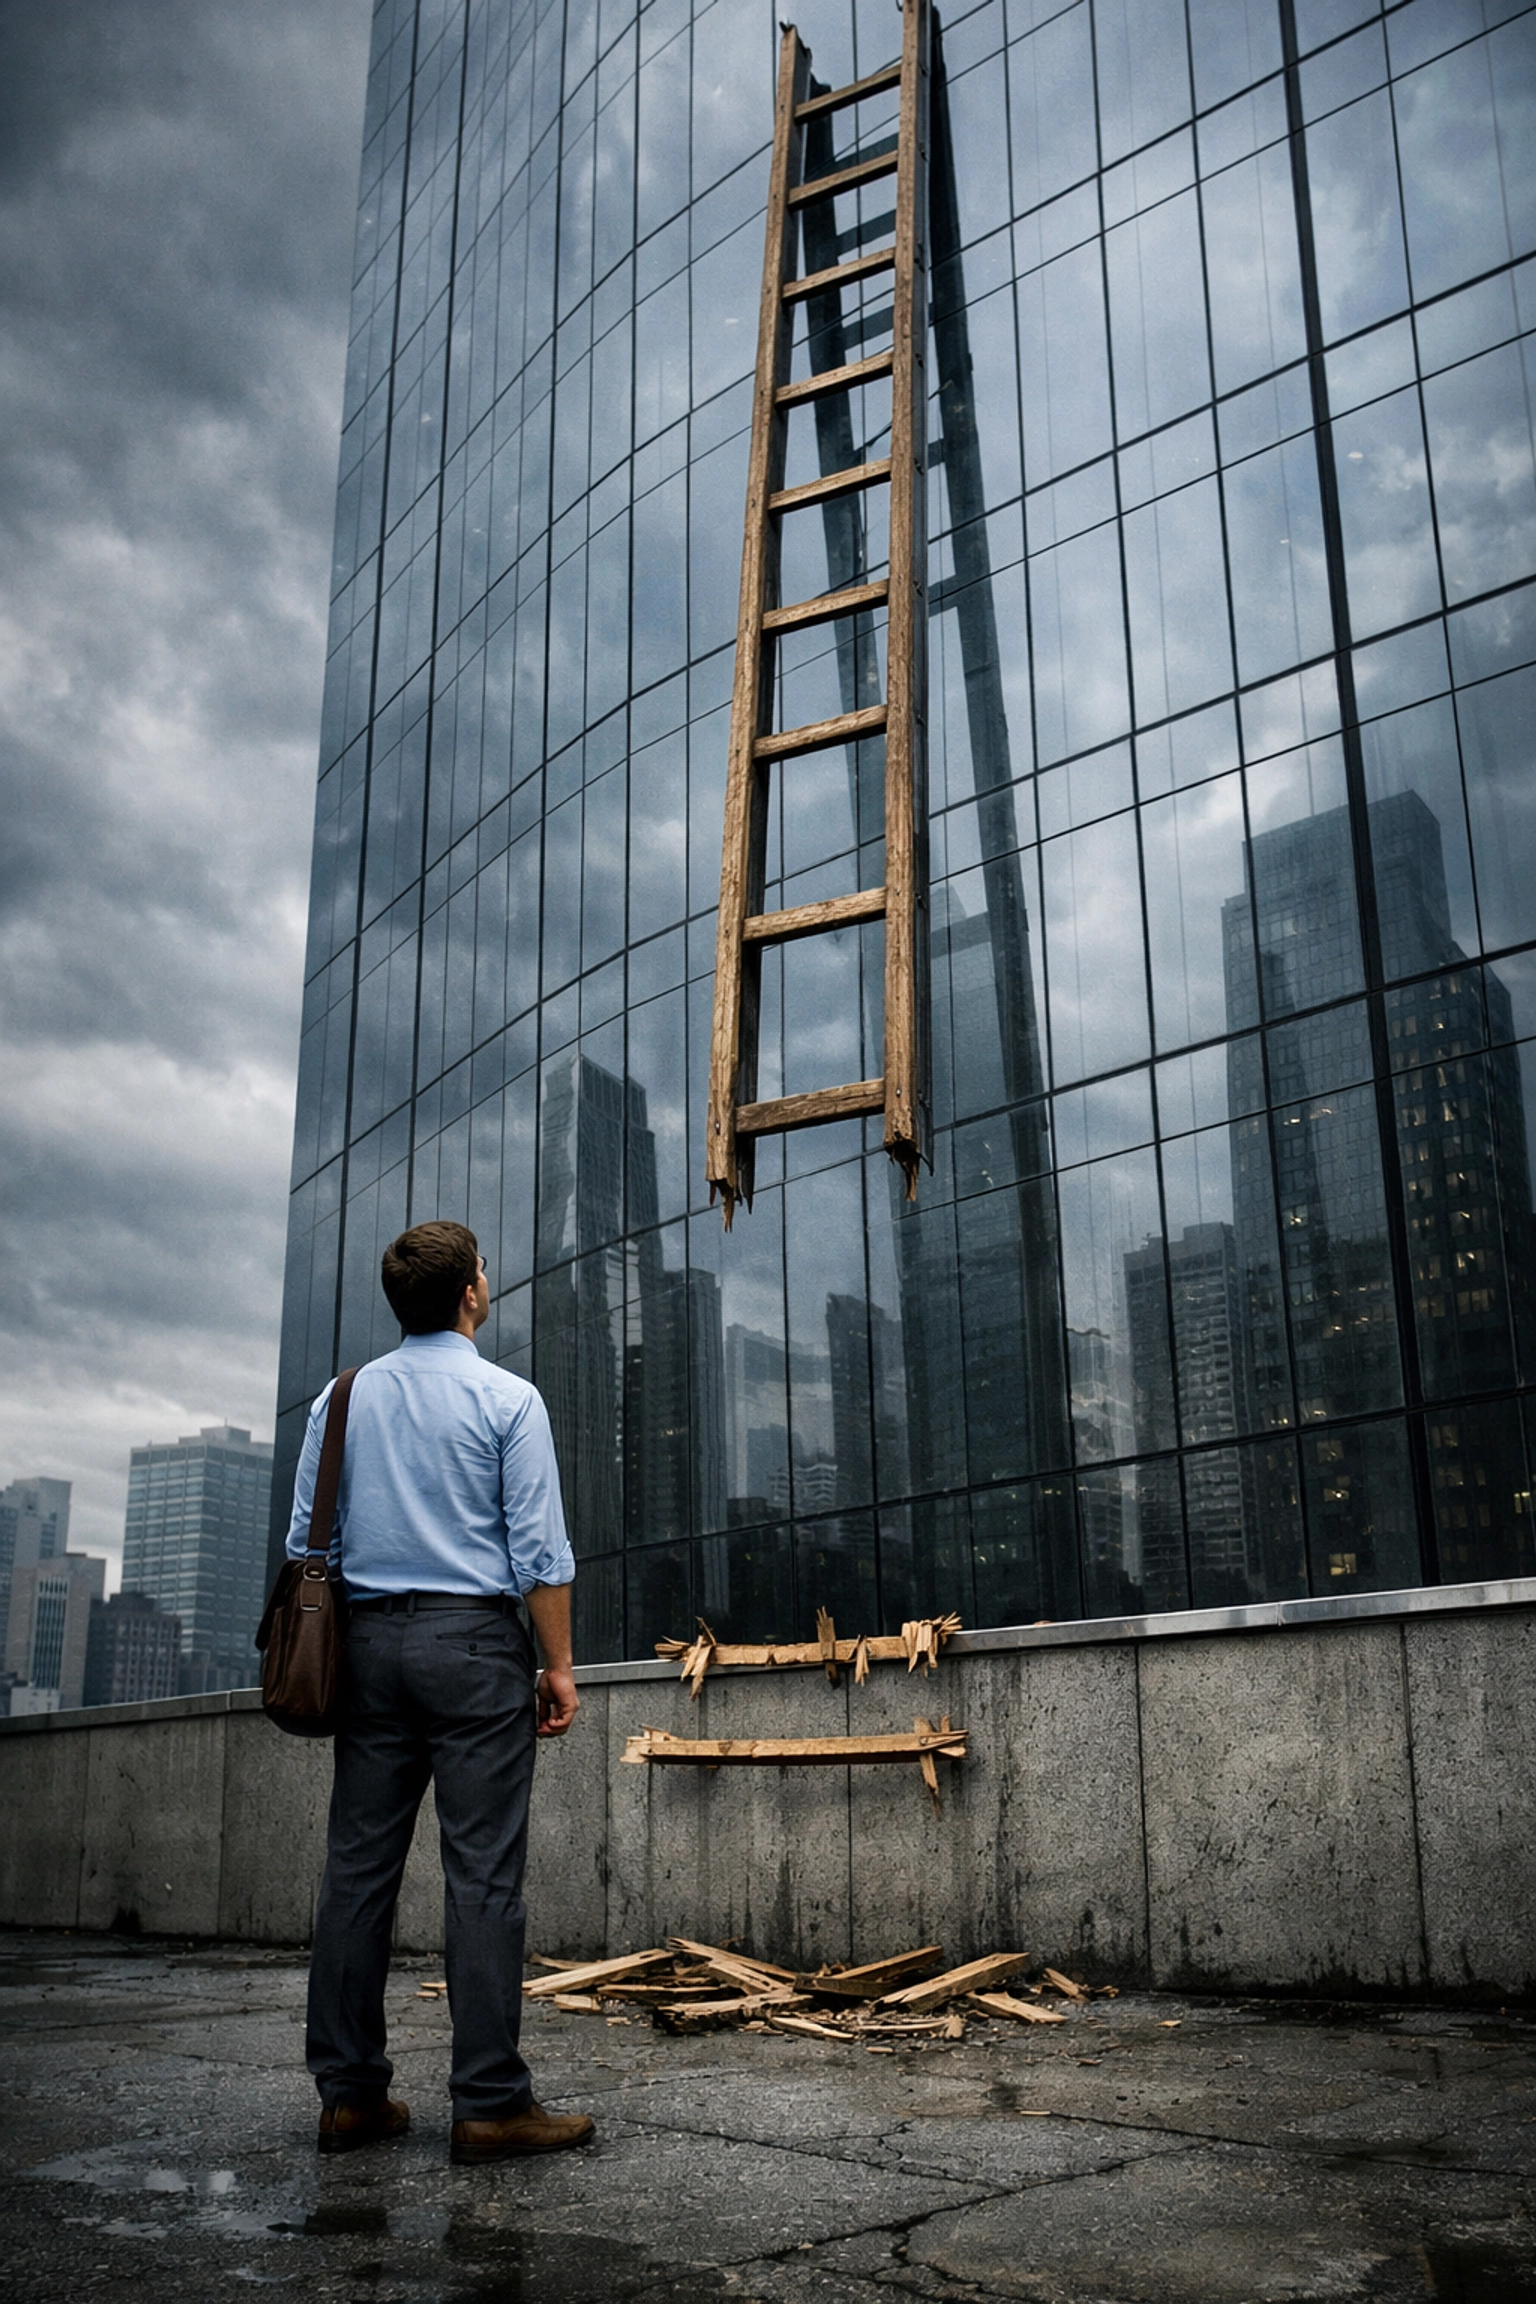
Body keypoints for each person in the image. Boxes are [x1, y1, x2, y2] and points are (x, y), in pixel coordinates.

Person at [284, 1218, 594, 2165]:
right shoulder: (510, 1399)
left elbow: (308, 1543)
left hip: (368, 1649)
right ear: (469, 1293)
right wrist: (557, 1666)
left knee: (356, 1874)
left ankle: (349, 2098)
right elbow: (539, 1553)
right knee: (484, 1878)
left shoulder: (340, 1401)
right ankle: (491, 2102)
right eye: (485, 1271)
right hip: (471, 1649)